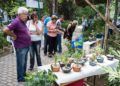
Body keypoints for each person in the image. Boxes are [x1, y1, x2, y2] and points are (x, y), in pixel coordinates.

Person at [3, 7, 31, 82]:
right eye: (25, 14)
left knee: (24, 62)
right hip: (20, 46)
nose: (26, 16)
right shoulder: (16, 21)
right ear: (20, 14)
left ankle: (24, 74)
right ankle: (20, 78)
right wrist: (13, 35)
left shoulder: (22, 21)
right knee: (20, 63)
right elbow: (5, 30)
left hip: (26, 45)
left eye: (27, 14)